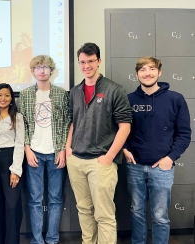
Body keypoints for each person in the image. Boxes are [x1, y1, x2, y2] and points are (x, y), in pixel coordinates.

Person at [65, 42, 132, 244]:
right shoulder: (75, 92)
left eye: (91, 61)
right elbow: (73, 122)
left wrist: (110, 156)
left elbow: (125, 127)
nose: (86, 66)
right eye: (82, 62)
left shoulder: (114, 90)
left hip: (101, 162)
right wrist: (68, 149)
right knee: (84, 210)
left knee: (104, 215)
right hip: (76, 160)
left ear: (99, 61)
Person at [123, 57, 191, 244]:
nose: (147, 73)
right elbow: (121, 130)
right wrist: (125, 149)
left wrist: (170, 157)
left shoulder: (175, 99)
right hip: (135, 166)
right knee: (137, 212)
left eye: (152, 69)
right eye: (143, 70)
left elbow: (184, 134)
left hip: (162, 168)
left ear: (159, 72)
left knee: (160, 215)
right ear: (137, 74)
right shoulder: (129, 100)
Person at [19, 55, 70, 244]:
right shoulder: (25, 95)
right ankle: (38, 240)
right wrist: (27, 149)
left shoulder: (61, 94)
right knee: (35, 199)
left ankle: (52, 238)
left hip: (56, 152)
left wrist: (63, 149)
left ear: (51, 71)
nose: (42, 70)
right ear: (33, 71)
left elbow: (66, 123)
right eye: (38, 67)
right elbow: (21, 124)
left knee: (56, 198)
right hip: (34, 153)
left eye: (46, 67)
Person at [0, 83, 24, 244]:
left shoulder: (17, 117)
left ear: (11, 99)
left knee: (13, 205)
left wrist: (15, 170)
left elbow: (20, 143)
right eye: (0, 95)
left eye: (7, 95)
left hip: (10, 159)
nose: (3, 98)